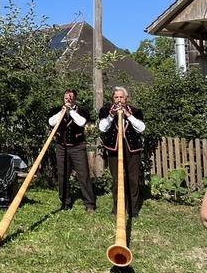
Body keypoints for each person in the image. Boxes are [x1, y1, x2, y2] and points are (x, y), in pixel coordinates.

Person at [98, 86, 146, 218]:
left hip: (132, 149)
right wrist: (111, 115)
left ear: (126, 98)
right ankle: (117, 208)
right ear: (113, 99)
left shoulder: (135, 111)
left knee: (133, 179)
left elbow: (141, 128)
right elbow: (102, 128)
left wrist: (128, 115)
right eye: (116, 97)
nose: (119, 100)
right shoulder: (106, 111)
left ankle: (133, 210)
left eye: (121, 97)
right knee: (117, 179)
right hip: (114, 148)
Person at [48, 89, 96, 213]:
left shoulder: (82, 111)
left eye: (70, 98)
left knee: (83, 175)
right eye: (66, 98)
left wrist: (71, 111)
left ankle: (89, 203)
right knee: (62, 175)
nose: (68, 100)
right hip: (61, 147)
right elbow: (51, 122)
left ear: (75, 99)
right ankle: (65, 202)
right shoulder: (57, 110)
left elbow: (81, 123)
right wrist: (63, 111)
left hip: (77, 146)